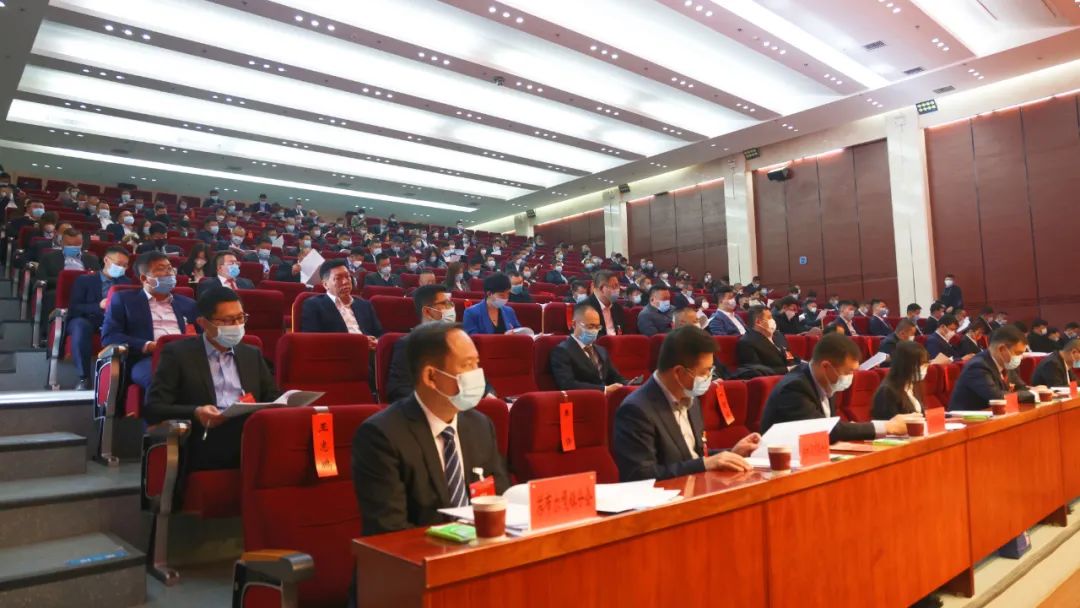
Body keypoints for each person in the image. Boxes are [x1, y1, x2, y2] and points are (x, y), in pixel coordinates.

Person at [352, 323, 510, 536]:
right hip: (418, 553)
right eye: (467, 365)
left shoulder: (480, 426)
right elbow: (389, 531)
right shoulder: (382, 436)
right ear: (431, 377)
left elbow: (498, 499)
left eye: (477, 363)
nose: (477, 374)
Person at [145, 287, 278, 473]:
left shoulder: (251, 354)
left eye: (240, 318)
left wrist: (290, 401)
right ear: (203, 323)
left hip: (250, 429)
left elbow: (271, 396)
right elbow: (154, 408)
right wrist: (196, 412)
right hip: (205, 435)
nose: (237, 325)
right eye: (227, 320)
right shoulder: (178, 354)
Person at [612, 326, 760, 482]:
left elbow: (693, 455)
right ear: (679, 373)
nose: (709, 377)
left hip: (698, 487)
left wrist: (732, 453)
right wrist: (705, 464)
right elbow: (640, 475)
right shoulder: (636, 410)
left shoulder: (691, 398)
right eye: (704, 372)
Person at [760, 333, 911, 442]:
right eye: (848, 372)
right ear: (826, 366)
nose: (851, 377)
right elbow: (825, 430)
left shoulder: (825, 383)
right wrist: (887, 426)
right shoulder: (794, 388)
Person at [101, 252, 198, 391]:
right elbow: (109, 336)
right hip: (148, 358)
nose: (169, 273)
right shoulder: (124, 300)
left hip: (186, 356)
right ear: (144, 278)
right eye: (160, 269)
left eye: (170, 268)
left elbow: (204, 335)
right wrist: (148, 345)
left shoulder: (188, 304)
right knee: (163, 376)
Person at [67, 247, 131, 389]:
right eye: (119, 264)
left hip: (114, 320)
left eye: (125, 265)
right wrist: (99, 306)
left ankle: (122, 382)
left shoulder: (126, 283)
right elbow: (75, 307)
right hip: (88, 319)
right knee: (80, 326)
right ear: (106, 260)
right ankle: (84, 378)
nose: (122, 268)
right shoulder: (85, 280)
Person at [385, 285, 457, 403]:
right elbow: (398, 389)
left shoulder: (458, 342)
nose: (451, 308)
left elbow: (476, 377)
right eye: (445, 303)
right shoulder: (408, 344)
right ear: (427, 311)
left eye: (451, 303)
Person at [948, 326, 1035, 410]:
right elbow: (997, 397)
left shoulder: (1007, 364)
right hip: (969, 417)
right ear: (1001, 349)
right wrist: (1031, 394)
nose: (1020, 357)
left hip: (996, 414)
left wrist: (1033, 392)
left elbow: (1021, 387)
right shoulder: (978, 366)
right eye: (1018, 353)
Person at [300, 259, 382, 344]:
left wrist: (376, 342)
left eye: (347, 276)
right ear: (325, 284)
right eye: (338, 278)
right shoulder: (313, 305)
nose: (345, 281)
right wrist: (359, 342)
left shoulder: (365, 305)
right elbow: (312, 340)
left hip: (370, 350)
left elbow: (380, 334)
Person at [550, 304, 628, 393]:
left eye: (597, 327)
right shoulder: (562, 351)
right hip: (583, 398)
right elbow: (568, 384)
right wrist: (604, 389)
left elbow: (615, 377)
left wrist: (629, 384)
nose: (594, 331)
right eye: (590, 327)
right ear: (574, 324)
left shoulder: (601, 350)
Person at [871, 340, 930, 419]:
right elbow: (888, 422)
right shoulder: (887, 391)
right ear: (906, 365)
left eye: (926, 365)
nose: (924, 369)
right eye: (921, 364)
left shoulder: (913, 386)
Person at [736, 306, 799, 376]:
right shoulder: (747, 342)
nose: (773, 320)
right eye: (769, 317)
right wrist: (787, 369)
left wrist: (798, 365)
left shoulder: (778, 335)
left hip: (793, 374)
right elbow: (756, 370)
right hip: (774, 378)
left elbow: (788, 355)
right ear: (758, 322)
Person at [585, 270, 624, 337]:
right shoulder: (585, 308)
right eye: (614, 286)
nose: (617, 289)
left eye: (618, 286)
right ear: (601, 289)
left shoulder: (618, 308)